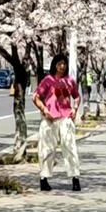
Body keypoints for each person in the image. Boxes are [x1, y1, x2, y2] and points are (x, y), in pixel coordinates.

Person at [33, 53, 82, 192]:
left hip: (65, 118)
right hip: (50, 119)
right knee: (46, 149)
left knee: (70, 147)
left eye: (64, 64)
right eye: (59, 64)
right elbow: (36, 97)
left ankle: (75, 178)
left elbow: (76, 96)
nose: (62, 66)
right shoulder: (47, 80)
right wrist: (44, 109)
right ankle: (44, 178)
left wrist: (75, 108)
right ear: (54, 65)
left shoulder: (69, 81)